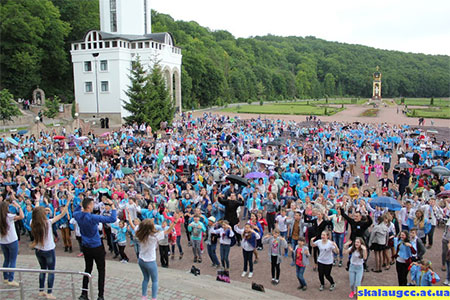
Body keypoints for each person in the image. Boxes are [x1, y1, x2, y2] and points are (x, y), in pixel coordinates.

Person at [74, 198, 117, 300]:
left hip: (86, 246)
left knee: (87, 269)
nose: (94, 206)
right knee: (101, 270)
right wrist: (113, 206)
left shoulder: (78, 215)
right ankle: (100, 296)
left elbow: (75, 211)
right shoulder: (93, 217)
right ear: (89, 206)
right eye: (92, 204)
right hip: (96, 246)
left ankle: (84, 294)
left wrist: (80, 204)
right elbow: (112, 219)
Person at [31, 199, 71, 299]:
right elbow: (61, 215)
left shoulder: (33, 222)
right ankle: (49, 292)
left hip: (38, 249)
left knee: (43, 269)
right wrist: (68, 202)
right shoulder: (47, 223)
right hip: (48, 250)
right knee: (51, 271)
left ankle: (41, 289)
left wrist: (37, 200)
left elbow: (35, 211)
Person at [136, 218, 175, 300]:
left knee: (145, 278)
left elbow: (135, 226)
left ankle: (144, 296)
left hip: (141, 260)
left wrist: (149, 221)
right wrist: (175, 222)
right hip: (150, 261)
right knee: (155, 280)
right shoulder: (154, 236)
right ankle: (154, 298)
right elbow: (168, 231)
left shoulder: (139, 233)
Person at [0, 200, 24, 287]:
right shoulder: (9, 216)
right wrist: (19, 207)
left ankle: (5, 277)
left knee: (6, 259)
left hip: (3, 241)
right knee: (13, 260)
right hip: (12, 240)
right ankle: (11, 279)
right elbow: (21, 216)